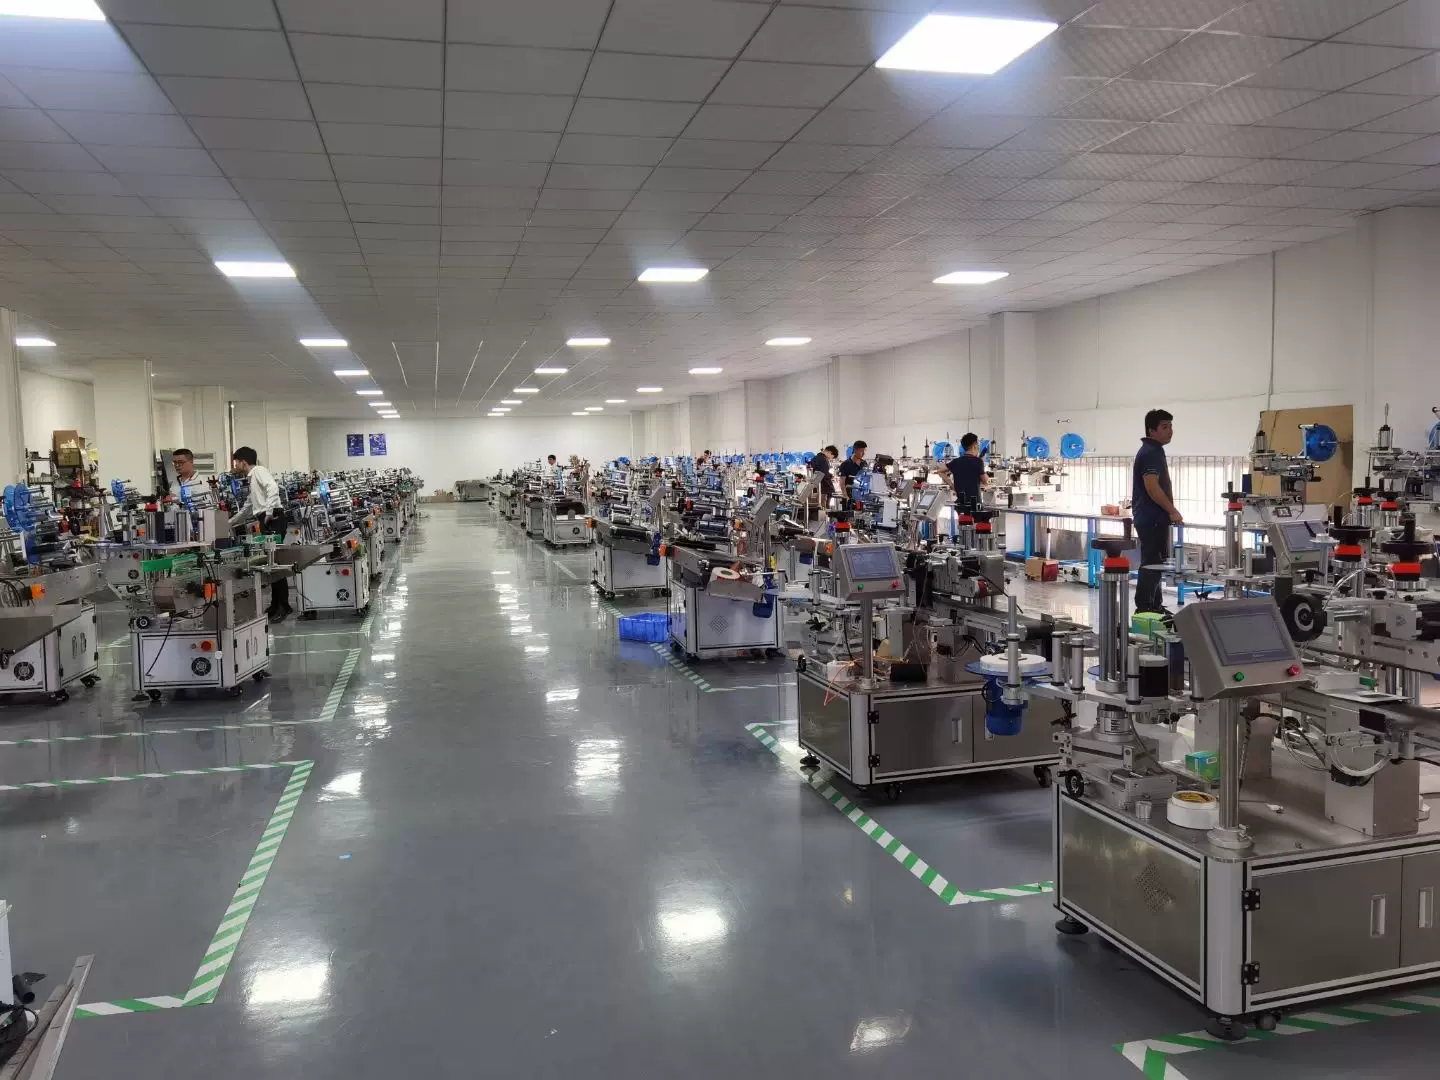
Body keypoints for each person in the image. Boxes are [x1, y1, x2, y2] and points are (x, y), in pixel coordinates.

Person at [228, 446, 291, 622]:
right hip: (267, 519)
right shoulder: (252, 478)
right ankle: (275, 604)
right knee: (271, 563)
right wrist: (229, 522)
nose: (236, 466)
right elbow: (249, 506)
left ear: (243, 462)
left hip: (272, 518)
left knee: (275, 563)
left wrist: (269, 512)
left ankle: (284, 606)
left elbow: (273, 487)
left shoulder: (258, 471)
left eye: (236, 462)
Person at [1133, 409, 1181, 615]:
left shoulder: (1153, 450)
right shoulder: (1151, 453)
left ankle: (1155, 606)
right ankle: (1145, 609)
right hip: (1152, 518)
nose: (1170, 431)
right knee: (1152, 563)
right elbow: (1152, 488)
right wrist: (1173, 511)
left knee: (1156, 563)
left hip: (1153, 517)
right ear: (1151, 430)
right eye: (1164, 427)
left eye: (1171, 426)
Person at [946, 433, 988, 510]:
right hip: (974, 504)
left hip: (961, 503)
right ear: (975, 445)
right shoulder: (978, 461)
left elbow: (940, 471)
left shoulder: (956, 461)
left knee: (962, 518)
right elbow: (985, 482)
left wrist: (951, 485)